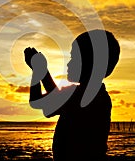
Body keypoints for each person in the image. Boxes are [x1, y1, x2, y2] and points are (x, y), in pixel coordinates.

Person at [24, 29, 120, 161]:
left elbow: (41, 103)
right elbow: (54, 101)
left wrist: (38, 71)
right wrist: (42, 71)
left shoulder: (84, 96)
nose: (69, 63)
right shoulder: (96, 95)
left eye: (75, 58)